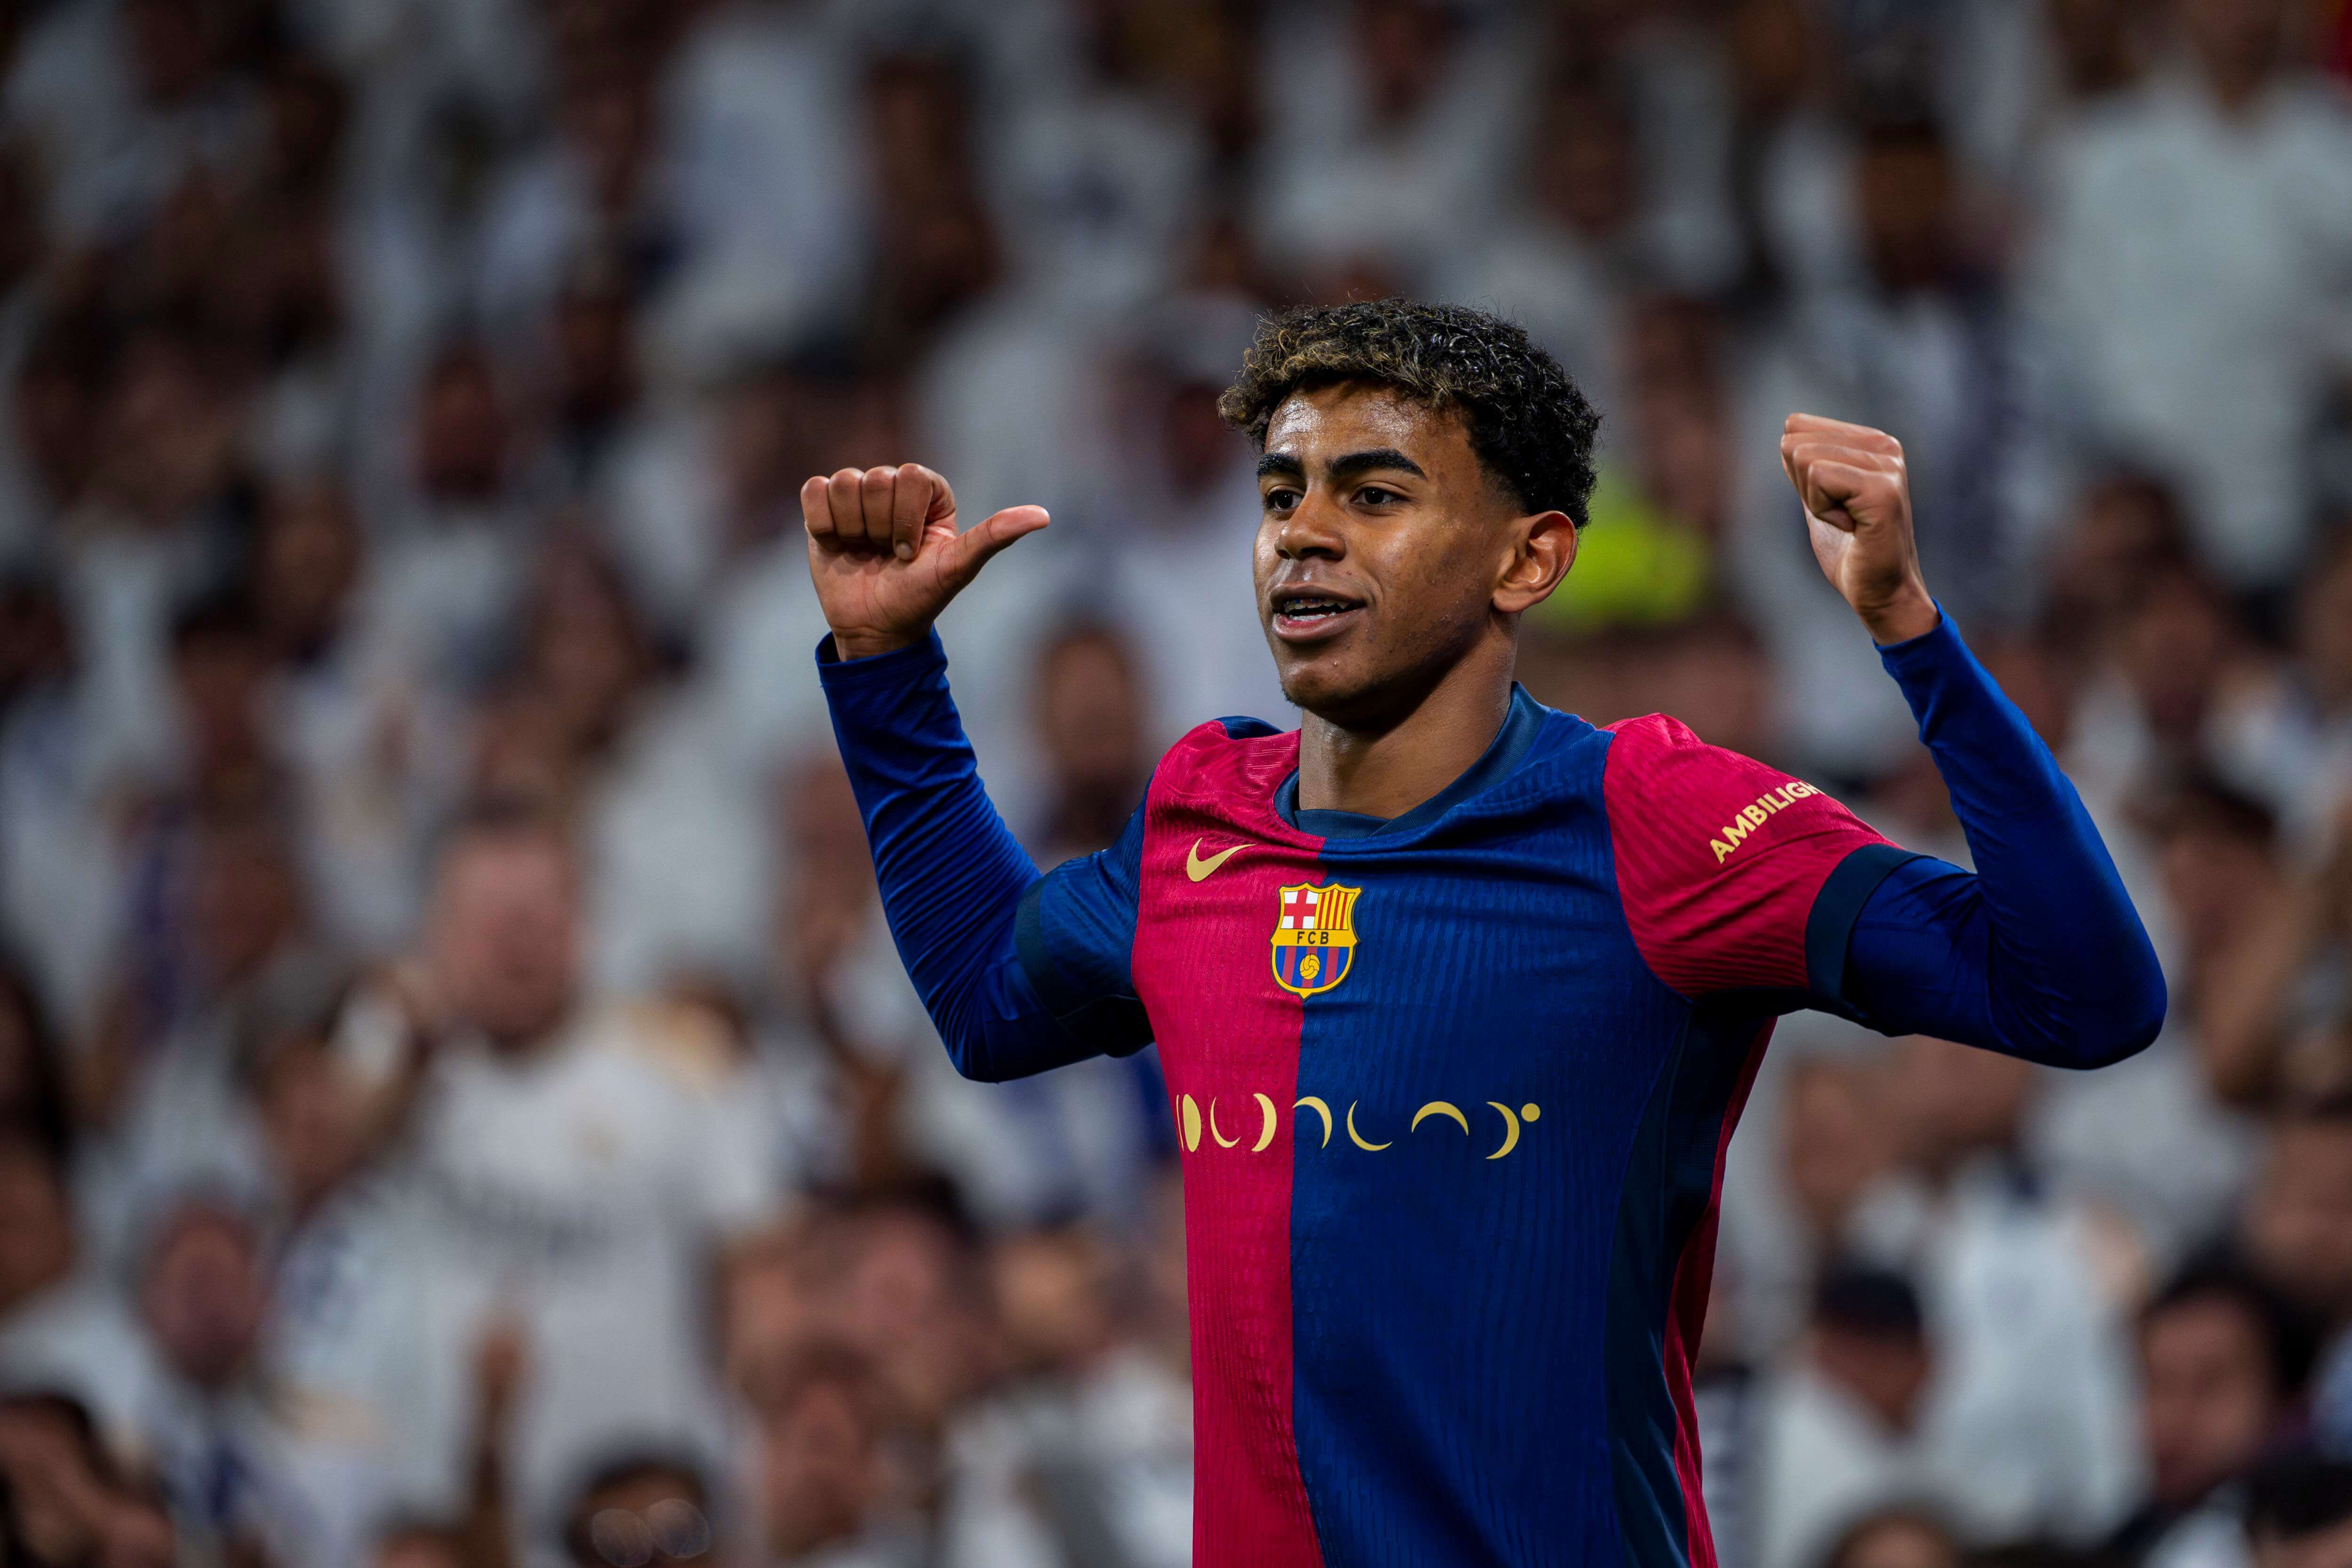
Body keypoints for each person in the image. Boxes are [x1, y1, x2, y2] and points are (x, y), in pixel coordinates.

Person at [805, 299, 2164, 1566]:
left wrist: (1911, 632)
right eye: (1280, 494)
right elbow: (987, 996)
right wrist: (885, 668)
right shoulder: (1202, 819)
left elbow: (2082, 996)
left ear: (1531, 557)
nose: (1303, 534)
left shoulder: (1653, 818)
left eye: (1373, 494)